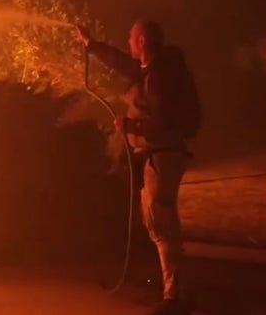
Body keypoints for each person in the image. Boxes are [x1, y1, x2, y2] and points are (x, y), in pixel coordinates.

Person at [75, 20, 194, 315]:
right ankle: (175, 292)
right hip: (156, 156)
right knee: (160, 225)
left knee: (162, 225)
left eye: (130, 37)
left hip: (161, 156)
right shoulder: (149, 70)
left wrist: (131, 125)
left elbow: (163, 122)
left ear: (142, 41)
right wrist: (92, 45)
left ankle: (174, 298)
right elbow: (122, 62)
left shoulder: (157, 78)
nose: (127, 41)